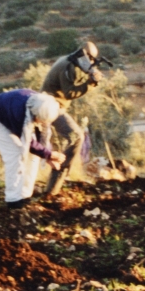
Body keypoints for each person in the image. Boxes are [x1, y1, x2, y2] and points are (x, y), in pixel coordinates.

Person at [0, 89, 65, 208]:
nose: (42, 123)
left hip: (10, 113)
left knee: (34, 156)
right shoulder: (20, 113)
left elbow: (42, 137)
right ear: (34, 114)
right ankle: (13, 199)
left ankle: (25, 194)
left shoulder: (46, 106)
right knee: (15, 153)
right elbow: (29, 143)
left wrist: (47, 155)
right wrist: (49, 155)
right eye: (40, 120)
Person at [40, 41, 103, 196]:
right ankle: (56, 183)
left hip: (48, 105)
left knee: (43, 146)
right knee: (76, 137)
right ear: (87, 56)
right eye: (92, 60)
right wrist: (90, 83)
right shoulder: (70, 66)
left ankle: (54, 184)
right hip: (50, 106)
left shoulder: (68, 60)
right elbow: (69, 93)